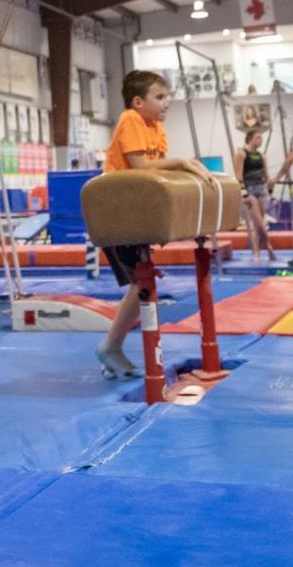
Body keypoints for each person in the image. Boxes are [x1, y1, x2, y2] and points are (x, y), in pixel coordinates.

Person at [95, 70, 211, 380]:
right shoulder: (131, 119)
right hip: (114, 210)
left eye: (167, 96)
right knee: (141, 283)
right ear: (138, 101)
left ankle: (112, 346)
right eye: (159, 97)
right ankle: (110, 346)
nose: (167, 102)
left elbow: (154, 173)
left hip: (135, 209)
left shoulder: (154, 126)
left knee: (143, 283)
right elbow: (141, 166)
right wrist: (183, 163)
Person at [236, 129, 275, 262]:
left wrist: (270, 188)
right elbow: (238, 175)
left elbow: (266, 174)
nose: (261, 140)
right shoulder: (241, 153)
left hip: (262, 188)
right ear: (250, 138)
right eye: (258, 137)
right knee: (257, 222)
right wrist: (243, 192)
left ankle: (258, 251)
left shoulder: (261, 155)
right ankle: (266, 248)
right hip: (249, 189)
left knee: (259, 224)